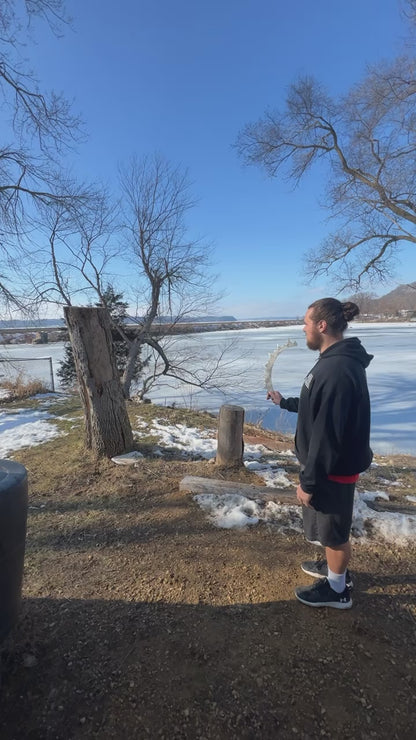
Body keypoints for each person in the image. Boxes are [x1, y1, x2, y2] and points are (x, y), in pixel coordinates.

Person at [267, 298, 373, 609]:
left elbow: (328, 435)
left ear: (322, 326)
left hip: (331, 469)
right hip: (329, 466)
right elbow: (318, 406)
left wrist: (309, 483)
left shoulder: (337, 368)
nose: (303, 328)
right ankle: (335, 572)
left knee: (334, 533)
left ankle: (337, 590)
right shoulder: (333, 361)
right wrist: (285, 402)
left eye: (306, 322)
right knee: (328, 529)